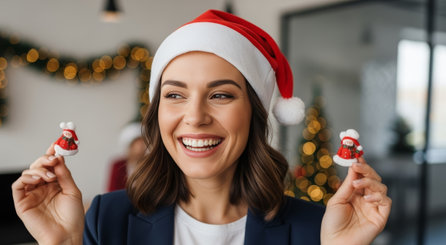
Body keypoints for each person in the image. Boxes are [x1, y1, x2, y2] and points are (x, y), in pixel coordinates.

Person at [12, 9, 391, 245]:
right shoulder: (104, 219)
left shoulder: (316, 229)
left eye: (221, 95)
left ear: (255, 113)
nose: (194, 117)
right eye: (175, 95)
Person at [107, 122, 146, 192]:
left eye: (143, 142)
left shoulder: (150, 164)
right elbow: (111, 191)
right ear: (130, 146)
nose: (141, 146)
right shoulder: (117, 165)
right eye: (137, 143)